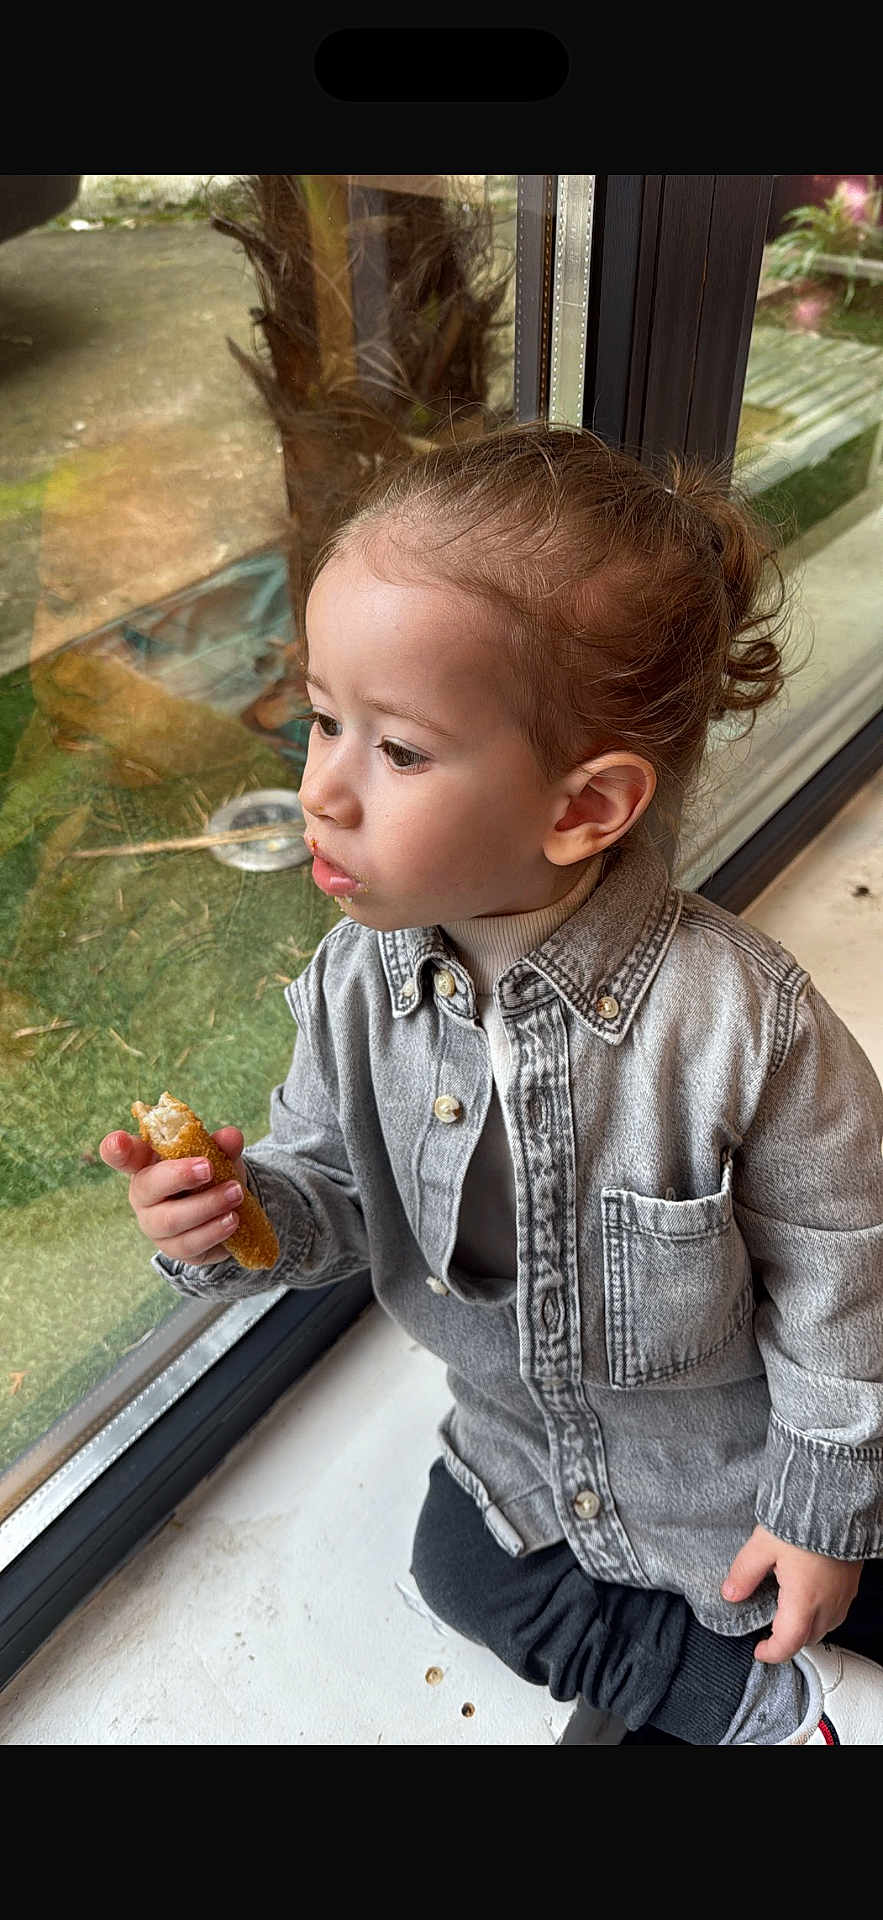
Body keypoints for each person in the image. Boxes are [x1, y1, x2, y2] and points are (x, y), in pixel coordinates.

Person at [100, 425, 883, 1745]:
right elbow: (338, 1199)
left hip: (742, 1457)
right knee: (458, 1570)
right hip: (526, 1456)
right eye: (321, 721)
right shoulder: (354, 985)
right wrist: (238, 1214)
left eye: (396, 753)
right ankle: (752, 1705)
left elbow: (849, 1278)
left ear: (583, 809)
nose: (322, 795)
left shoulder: (743, 1026)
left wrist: (821, 1510)